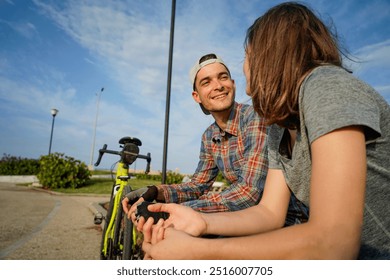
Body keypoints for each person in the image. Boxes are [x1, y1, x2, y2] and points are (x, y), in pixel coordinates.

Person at [140, 2, 390, 259]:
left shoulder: (326, 87)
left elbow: (334, 241)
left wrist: (197, 252)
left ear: (269, 54)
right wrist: (198, 221)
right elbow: (269, 212)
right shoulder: (279, 126)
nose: (244, 65)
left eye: (246, 55)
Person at [122, 53, 269, 217]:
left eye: (223, 77)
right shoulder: (209, 137)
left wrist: (172, 212)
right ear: (196, 96)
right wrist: (156, 191)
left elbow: (249, 193)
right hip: (244, 217)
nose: (218, 85)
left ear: (233, 84)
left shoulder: (255, 117)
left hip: (281, 220)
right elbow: (198, 186)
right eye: (206, 82)